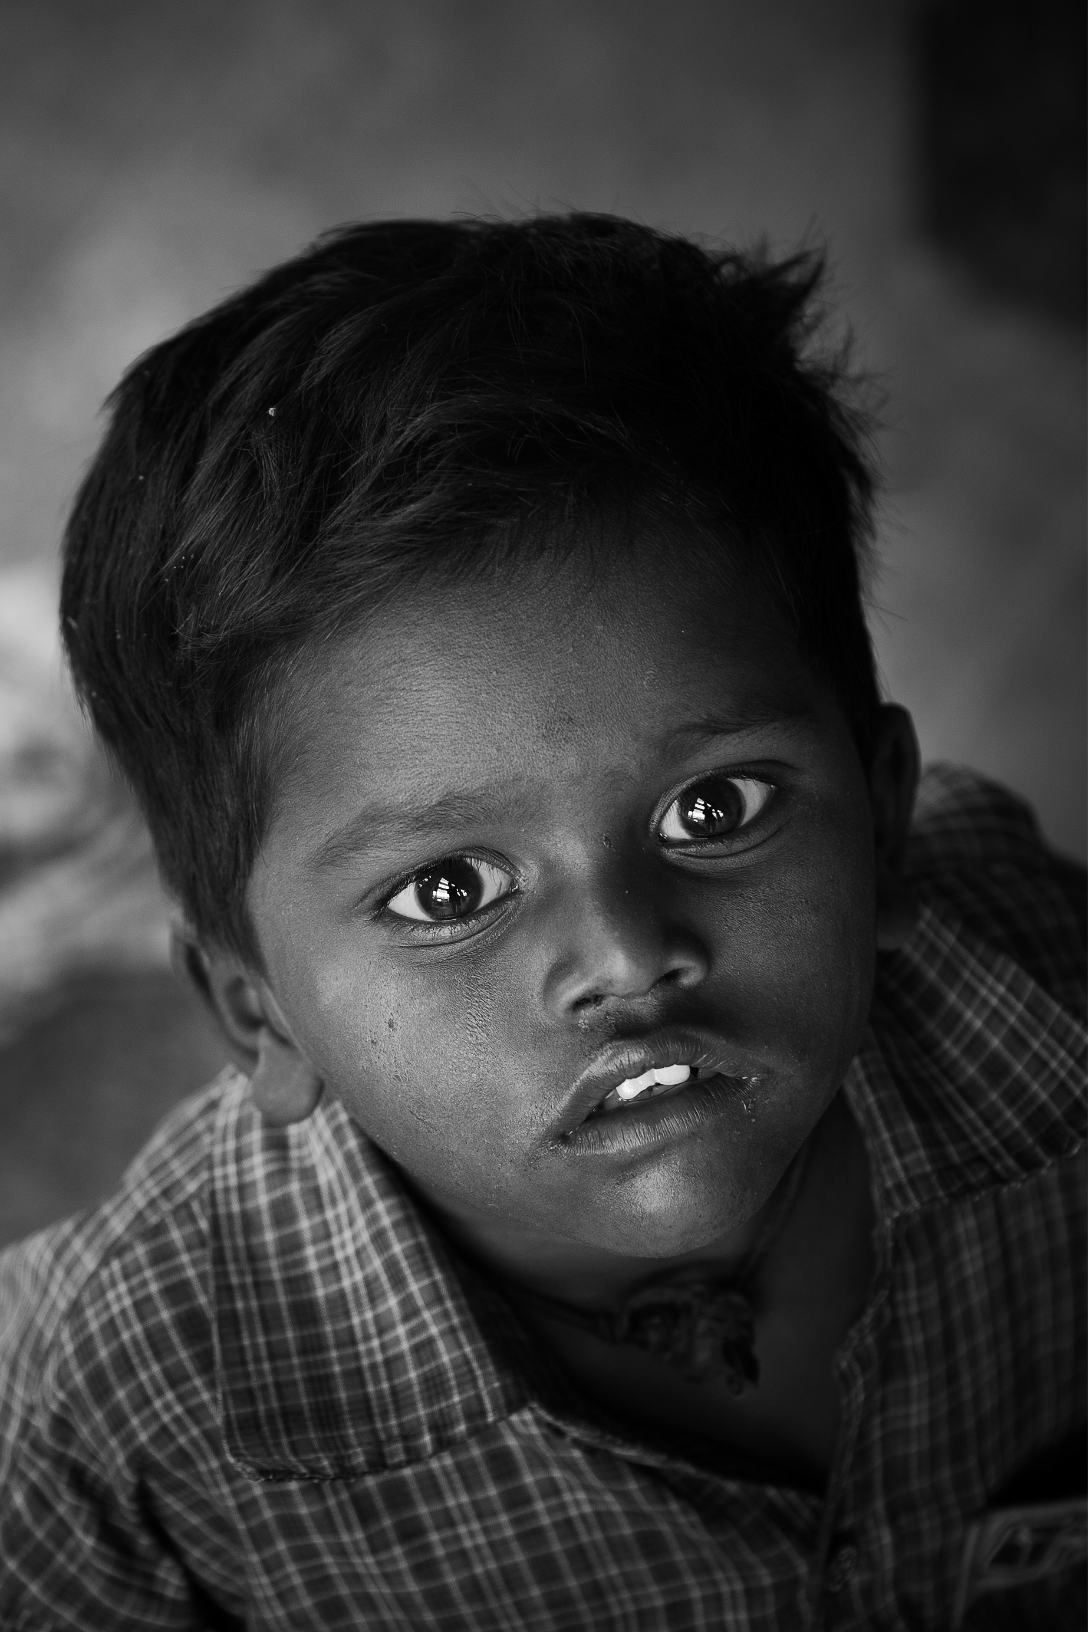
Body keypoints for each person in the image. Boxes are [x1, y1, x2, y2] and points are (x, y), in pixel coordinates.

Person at [0, 214, 1083, 1631]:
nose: (630, 959)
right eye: (447, 892)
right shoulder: (102, 1440)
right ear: (255, 1006)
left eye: (719, 808)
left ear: (884, 822)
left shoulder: (1049, 992)